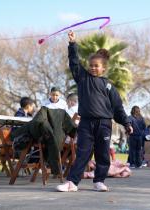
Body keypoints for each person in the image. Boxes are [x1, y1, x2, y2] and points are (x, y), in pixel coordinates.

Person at [56, 31, 133, 192]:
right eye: (90, 65)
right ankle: (72, 183)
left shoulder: (108, 86)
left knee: (103, 154)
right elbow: (74, 63)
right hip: (86, 123)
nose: (92, 68)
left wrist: (126, 123)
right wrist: (72, 44)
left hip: (104, 124)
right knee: (83, 153)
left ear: (103, 68)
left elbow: (118, 107)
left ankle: (99, 181)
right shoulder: (83, 79)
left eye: (96, 66)